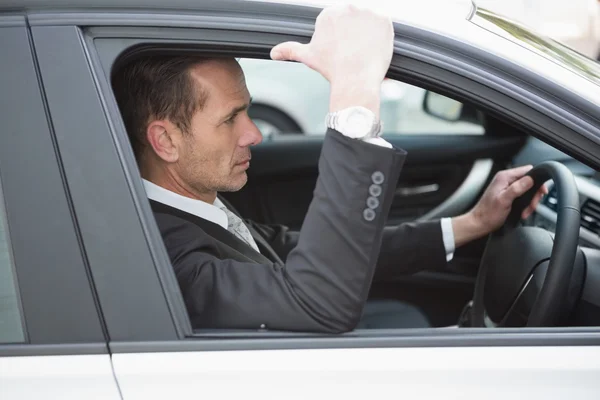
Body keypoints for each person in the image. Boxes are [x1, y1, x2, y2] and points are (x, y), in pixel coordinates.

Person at [112, 5, 545, 332]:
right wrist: (355, 90)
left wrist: (472, 223)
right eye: (230, 119)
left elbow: (306, 254)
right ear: (165, 140)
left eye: (247, 113)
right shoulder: (163, 254)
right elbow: (317, 300)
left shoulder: (200, 210)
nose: (254, 135)